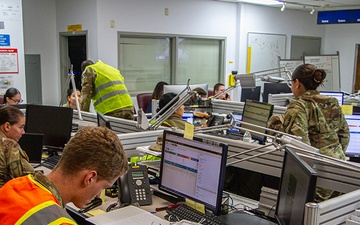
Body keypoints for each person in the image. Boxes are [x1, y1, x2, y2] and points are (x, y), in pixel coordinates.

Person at [0, 126, 129, 224]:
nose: (97, 195)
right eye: (104, 187)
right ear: (90, 178)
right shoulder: (60, 221)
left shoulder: (14, 185)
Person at [268, 63, 350, 202]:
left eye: (291, 83)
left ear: (297, 83)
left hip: (318, 173)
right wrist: (334, 155)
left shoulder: (299, 105)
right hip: (339, 171)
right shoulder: (332, 102)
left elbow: (300, 146)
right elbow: (344, 136)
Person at [0, 105, 34, 188]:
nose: (23, 132)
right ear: (7, 126)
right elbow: (28, 179)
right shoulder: (9, 145)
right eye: (21, 127)